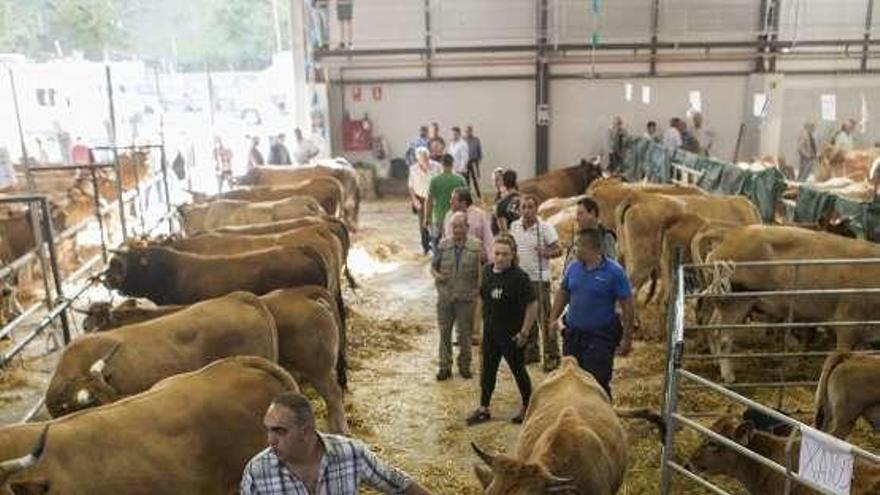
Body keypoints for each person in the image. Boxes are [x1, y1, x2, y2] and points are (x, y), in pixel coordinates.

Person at [241, 391, 432, 494]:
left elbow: (400, 484)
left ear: (306, 431)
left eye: (280, 432)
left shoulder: (351, 453)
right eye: (268, 429)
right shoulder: (257, 471)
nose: (270, 440)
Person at [548, 228, 635, 398]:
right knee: (570, 381)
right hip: (573, 336)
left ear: (591, 247)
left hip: (600, 337)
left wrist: (626, 338)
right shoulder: (573, 268)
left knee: (598, 383)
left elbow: (628, 306)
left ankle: (602, 419)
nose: (574, 249)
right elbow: (563, 293)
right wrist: (553, 319)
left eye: (577, 245)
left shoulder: (614, 272)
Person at [466, 235, 536, 426]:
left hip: (512, 335)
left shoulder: (519, 277)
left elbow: (532, 304)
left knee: (518, 370)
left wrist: (524, 332)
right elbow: (482, 299)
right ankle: (484, 408)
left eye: (505, 254)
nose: (500, 258)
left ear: (512, 255)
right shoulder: (488, 271)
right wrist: (476, 328)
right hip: (490, 333)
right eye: (497, 253)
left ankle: (528, 406)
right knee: (487, 371)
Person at [509, 194, 562, 370]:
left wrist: (545, 252)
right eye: (523, 207)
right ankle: (531, 351)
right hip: (521, 280)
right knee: (526, 318)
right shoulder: (514, 226)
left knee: (545, 318)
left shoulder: (544, 227)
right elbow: (512, 248)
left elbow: (558, 249)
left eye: (530, 207)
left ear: (536, 209)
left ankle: (552, 354)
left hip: (539, 279)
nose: (526, 210)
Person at [432, 212, 482, 381]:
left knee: (465, 334)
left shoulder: (476, 247)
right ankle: (444, 366)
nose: (457, 230)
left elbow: (482, 272)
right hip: (445, 296)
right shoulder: (443, 245)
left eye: (460, 226)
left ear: (467, 228)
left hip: (466, 297)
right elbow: (433, 267)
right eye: (454, 226)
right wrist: (437, 276)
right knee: (444, 332)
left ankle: (465, 366)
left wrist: (480, 294)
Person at [424, 154, 467, 248]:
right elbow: (467, 199)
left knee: (436, 243)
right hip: (456, 217)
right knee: (456, 242)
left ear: (441, 164)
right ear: (453, 164)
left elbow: (429, 201)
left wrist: (427, 218)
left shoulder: (435, 180)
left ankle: (437, 261)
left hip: (439, 216)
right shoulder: (460, 179)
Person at [443, 187, 494, 263]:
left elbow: (488, 239)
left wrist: (491, 261)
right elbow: (445, 237)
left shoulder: (479, 215)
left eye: (453, 199)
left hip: (477, 259)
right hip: (454, 259)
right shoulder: (449, 216)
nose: (450, 202)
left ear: (463, 203)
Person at [563, 197, 617, 265]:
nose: (577, 218)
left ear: (592, 213)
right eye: (577, 214)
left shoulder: (605, 237)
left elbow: (610, 263)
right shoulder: (577, 237)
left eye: (581, 214)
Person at [409, 147, 439, 255]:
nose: (425, 160)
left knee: (434, 223)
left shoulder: (436, 166)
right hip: (420, 199)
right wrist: (414, 200)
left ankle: (435, 245)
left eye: (426, 158)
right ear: (418, 159)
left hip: (434, 198)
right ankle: (425, 247)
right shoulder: (413, 169)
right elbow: (411, 186)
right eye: (422, 159)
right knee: (423, 223)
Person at [493, 169, 520, 235]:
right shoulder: (525, 201)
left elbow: (504, 232)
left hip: (511, 241)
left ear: (504, 183)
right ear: (515, 182)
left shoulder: (501, 204)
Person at [464, 125, 483, 199]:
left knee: (476, 181)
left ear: (472, 131)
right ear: (465, 132)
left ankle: (479, 197)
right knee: (466, 181)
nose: (468, 132)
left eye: (469, 130)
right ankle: (468, 197)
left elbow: (479, 152)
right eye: (466, 131)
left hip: (474, 162)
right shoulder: (463, 140)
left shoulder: (476, 140)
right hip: (465, 163)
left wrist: (479, 160)